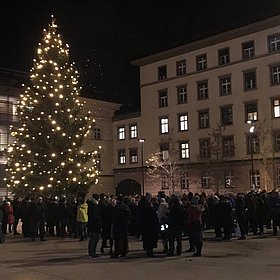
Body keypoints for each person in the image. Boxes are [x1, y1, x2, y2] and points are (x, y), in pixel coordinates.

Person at [87, 194, 101, 258]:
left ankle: (91, 252)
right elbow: (95, 216)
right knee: (94, 239)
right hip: (95, 225)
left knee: (92, 239)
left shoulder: (90, 205)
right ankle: (93, 253)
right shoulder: (95, 206)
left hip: (91, 225)